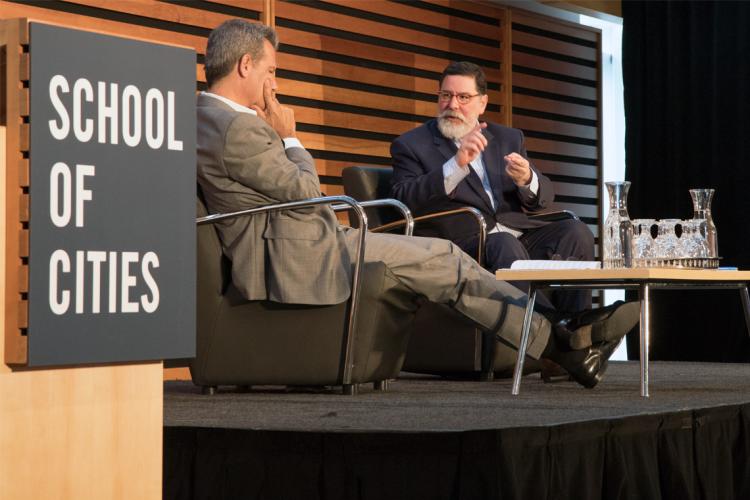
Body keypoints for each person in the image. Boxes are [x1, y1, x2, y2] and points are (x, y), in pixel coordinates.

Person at [196, 19, 638, 389]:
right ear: (245, 65)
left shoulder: (210, 118)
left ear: (481, 104)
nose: (273, 83)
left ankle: (560, 338)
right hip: (298, 249)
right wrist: (290, 136)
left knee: (470, 253)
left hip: (310, 235)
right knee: (445, 257)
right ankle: (563, 340)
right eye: (270, 71)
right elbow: (309, 193)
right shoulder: (238, 128)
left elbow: (294, 196)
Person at [391, 62, 594, 313]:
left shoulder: (508, 138)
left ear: (482, 103)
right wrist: (455, 164)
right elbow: (404, 199)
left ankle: (580, 325)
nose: (452, 105)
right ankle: (554, 331)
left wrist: (526, 179)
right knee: (503, 242)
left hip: (519, 235)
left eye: (463, 97)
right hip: (464, 244)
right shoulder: (411, 144)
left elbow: (544, 198)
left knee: (575, 231)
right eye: (446, 95)